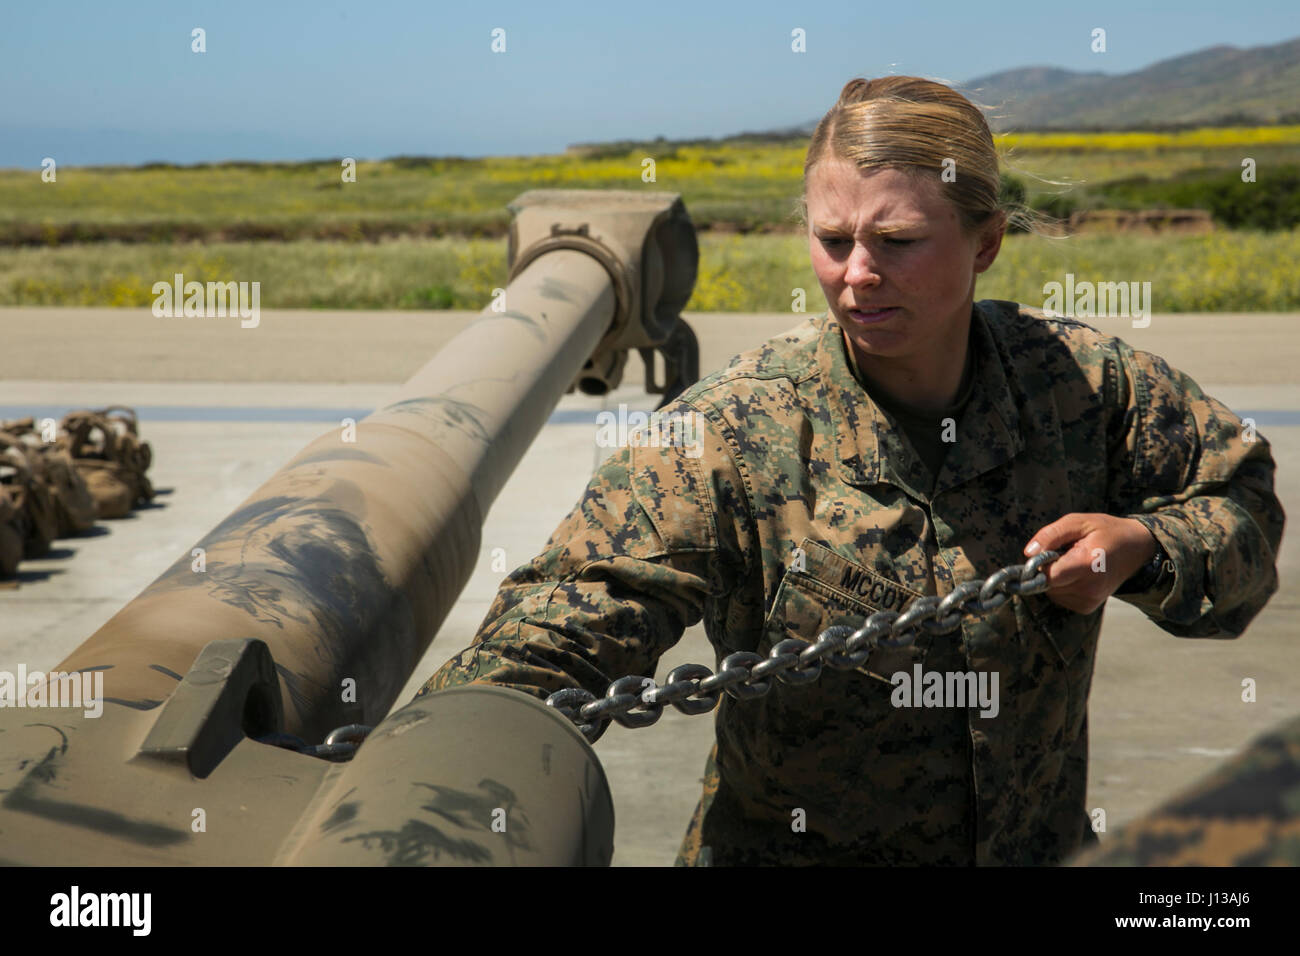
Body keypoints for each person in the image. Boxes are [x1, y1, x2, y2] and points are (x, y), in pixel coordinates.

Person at [417, 76, 1284, 865]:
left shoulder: (1085, 386)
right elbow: (566, 618)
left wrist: (1144, 545)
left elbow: (1242, 505)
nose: (857, 276)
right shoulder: (731, 431)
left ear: (985, 244)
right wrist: (433, 775)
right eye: (832, 240)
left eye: (898, 241)